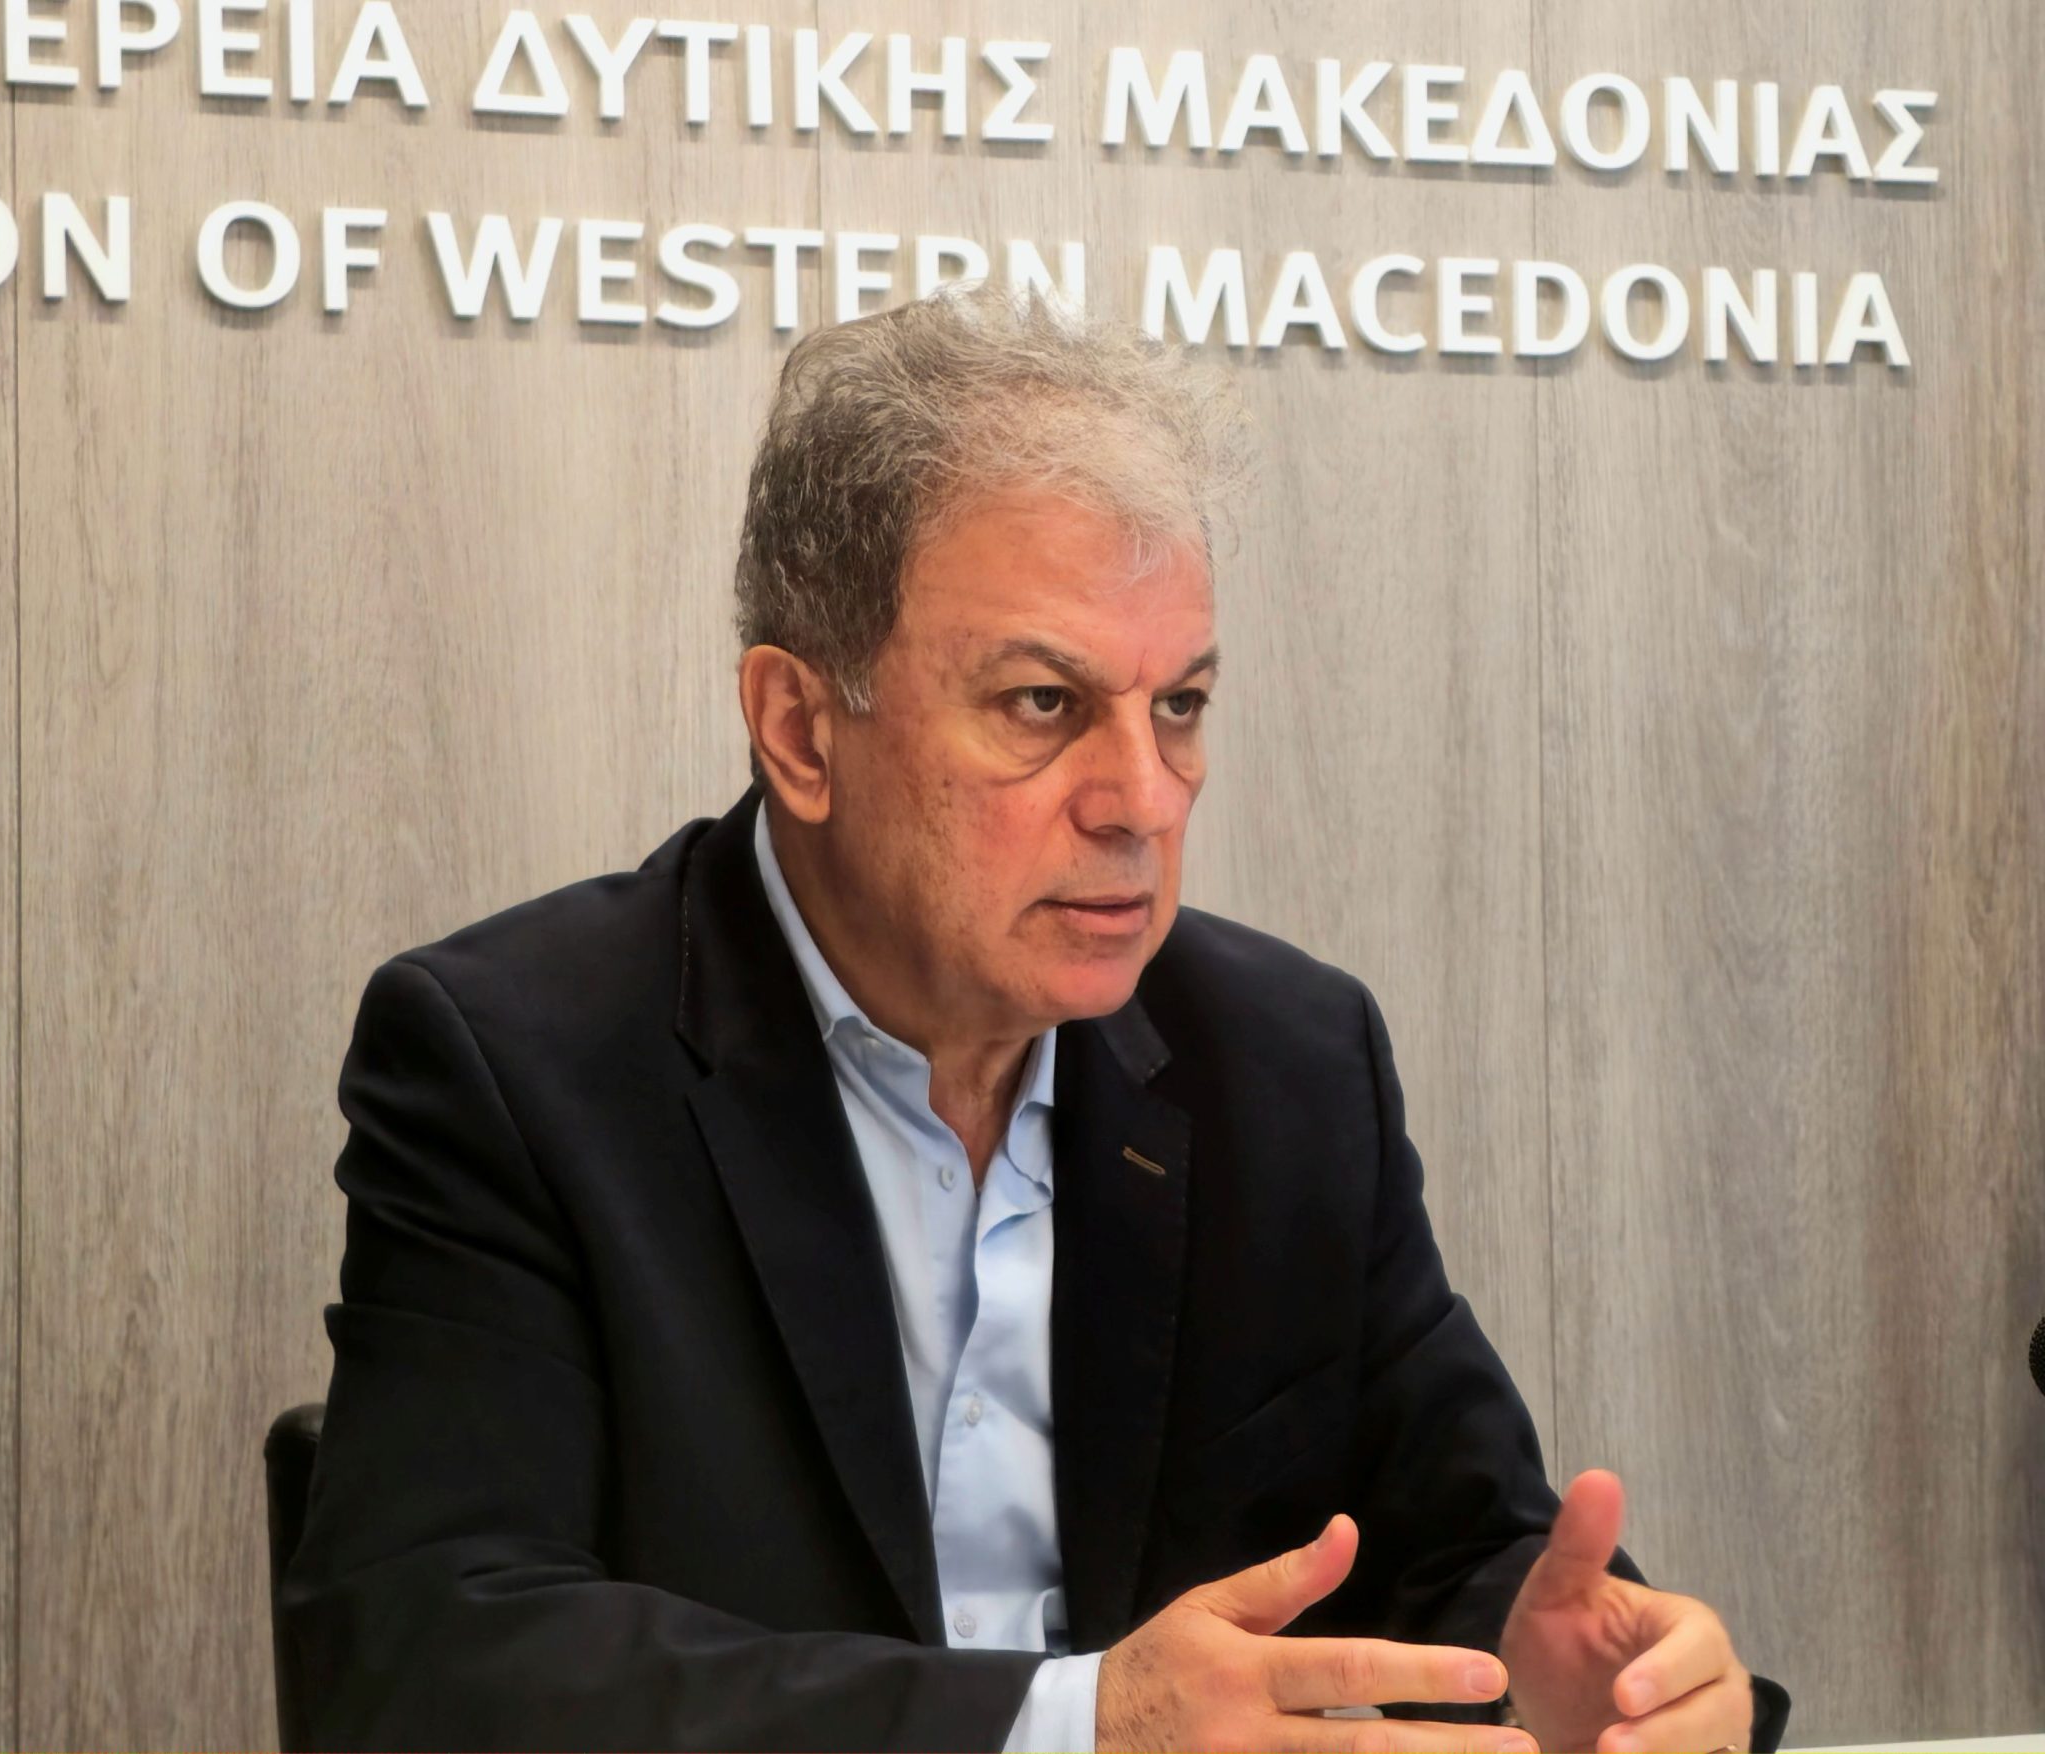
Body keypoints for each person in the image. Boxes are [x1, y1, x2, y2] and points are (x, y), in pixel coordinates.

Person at [280, 283, 1789, 1752]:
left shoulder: (1287, 1061)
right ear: (801, 729)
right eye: (1044, 705)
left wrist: (1561, 1679)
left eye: (1179, 705)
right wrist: (1071, 1729)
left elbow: (1458, 1540)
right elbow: (429, 1664)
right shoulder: (518, 1063)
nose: (1142, 801)